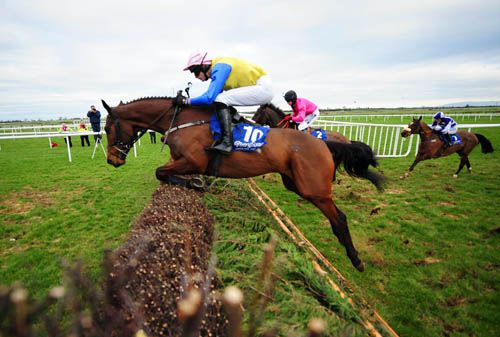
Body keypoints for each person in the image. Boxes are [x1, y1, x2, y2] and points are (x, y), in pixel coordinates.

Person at [173, 51, 274, 154]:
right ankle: (236, 124)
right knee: (220, 99)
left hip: (263, 88)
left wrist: (186, 101)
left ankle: (227, 142)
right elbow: (210, 96)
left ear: (203, 66)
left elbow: (209, 98)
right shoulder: (219, 67)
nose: (196, 76)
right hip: (261, 87)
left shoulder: (220, 67)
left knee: (221, 99)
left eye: (196, 72)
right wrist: (187, 101)